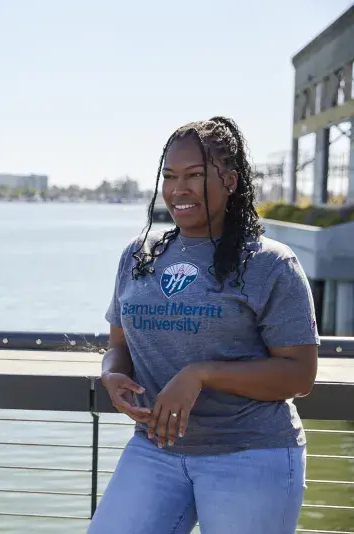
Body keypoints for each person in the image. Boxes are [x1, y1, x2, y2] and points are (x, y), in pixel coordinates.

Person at [88, 116, 318, 534]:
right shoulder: (139, 257)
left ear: (230, 180)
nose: (179, 189)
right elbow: (117, 345)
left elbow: (300, 374)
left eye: (195, 175)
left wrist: (201, 375)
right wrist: (112, 375)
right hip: (155, 449)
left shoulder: (270, 262)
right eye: (170, 176)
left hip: (250, 453)